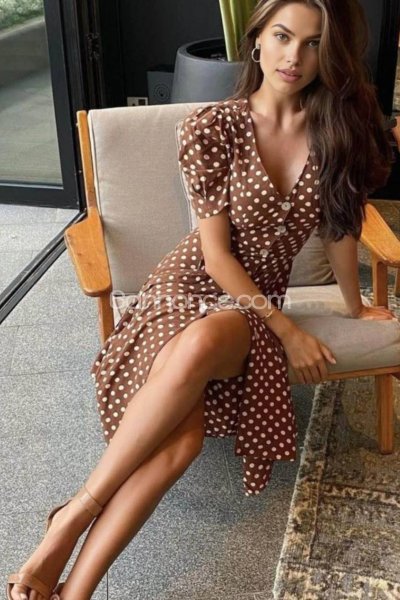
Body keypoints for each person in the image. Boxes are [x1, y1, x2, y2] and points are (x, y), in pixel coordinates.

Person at [7, 0, 398, 599]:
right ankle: (75, 584)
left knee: (213, 336)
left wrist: (354, 306)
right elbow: (216, 258)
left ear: (332, 53)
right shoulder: (214, 127)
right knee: (182, 442)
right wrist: (289, 331)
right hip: (188, 285)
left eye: (314, 43)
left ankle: (69, 520)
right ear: (256, 40)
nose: (294, 56)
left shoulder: (335, 132)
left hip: (249, 306)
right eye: (283, 36)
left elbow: (340, 232)